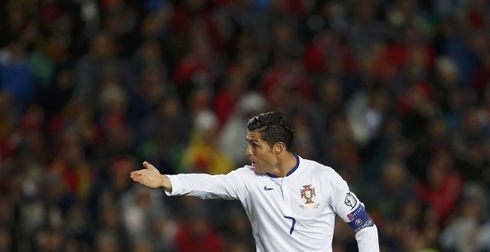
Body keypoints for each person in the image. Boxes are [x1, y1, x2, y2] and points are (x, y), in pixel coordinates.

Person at [130, 111, 379, 251]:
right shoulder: (247, 180)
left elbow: (364, 226)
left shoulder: (323, 178)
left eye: (255, 145)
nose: (248, 152)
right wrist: (165, 180)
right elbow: (208, 184)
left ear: (278, 148)